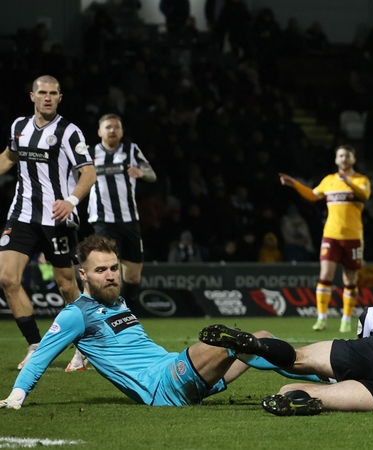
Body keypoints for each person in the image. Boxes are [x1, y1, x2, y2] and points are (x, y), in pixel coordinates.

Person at [0, 235, 319, 410]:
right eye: (101, 271)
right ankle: (234, 345)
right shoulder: (76, 314)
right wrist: (17, 395)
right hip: (162, 386)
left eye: (114, 268)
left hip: (176, 371)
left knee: (260, 337)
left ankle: (323, 380)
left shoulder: (117, 300)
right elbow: (41, 354)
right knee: (231, 340)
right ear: (82, 275)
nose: (111, 275)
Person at [198, 287, 373, 415]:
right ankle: (297, 402)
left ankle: (256, 344)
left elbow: (362, 352)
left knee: (297, 358)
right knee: (294, 392)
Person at [0, 75, 97, 372]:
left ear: (59, 97)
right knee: (7, 278)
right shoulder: (19, 127)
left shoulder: (69, 132)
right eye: (42, 92)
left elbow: (89, 173)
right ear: (32, 96)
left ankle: (84, 348)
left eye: (53, 93)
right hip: (22, 215)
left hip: (58, 220)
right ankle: (34, 345)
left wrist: (70, 201)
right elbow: (8, 157)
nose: (47, 98)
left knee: (67, 284)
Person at [279, 145, 370, 333]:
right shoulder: (329, 180)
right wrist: (295, 184)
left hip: (353, 237)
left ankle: (346, 319)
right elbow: (313, 195)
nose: (344, 159)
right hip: (331, 235)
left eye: (347, 155)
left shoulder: (361, 180)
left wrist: (348, 182)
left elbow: (364, 195)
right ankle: (321, 318)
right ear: (336, 160)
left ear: (353, 159)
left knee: (350, 279)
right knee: (325, 276)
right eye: (341, 155)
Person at [88, 114, 157, 308]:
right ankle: (103, 312)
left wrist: (142, 173)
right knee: (107, 267)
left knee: (133, 276)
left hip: (129, 219)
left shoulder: (131, 150)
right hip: (103, 220)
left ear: (121, 131)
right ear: (100, 131)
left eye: (116, 127)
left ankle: (127, 313)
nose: (112, 130)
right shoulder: (89, 153)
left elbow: (152, 174)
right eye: (108, 127)